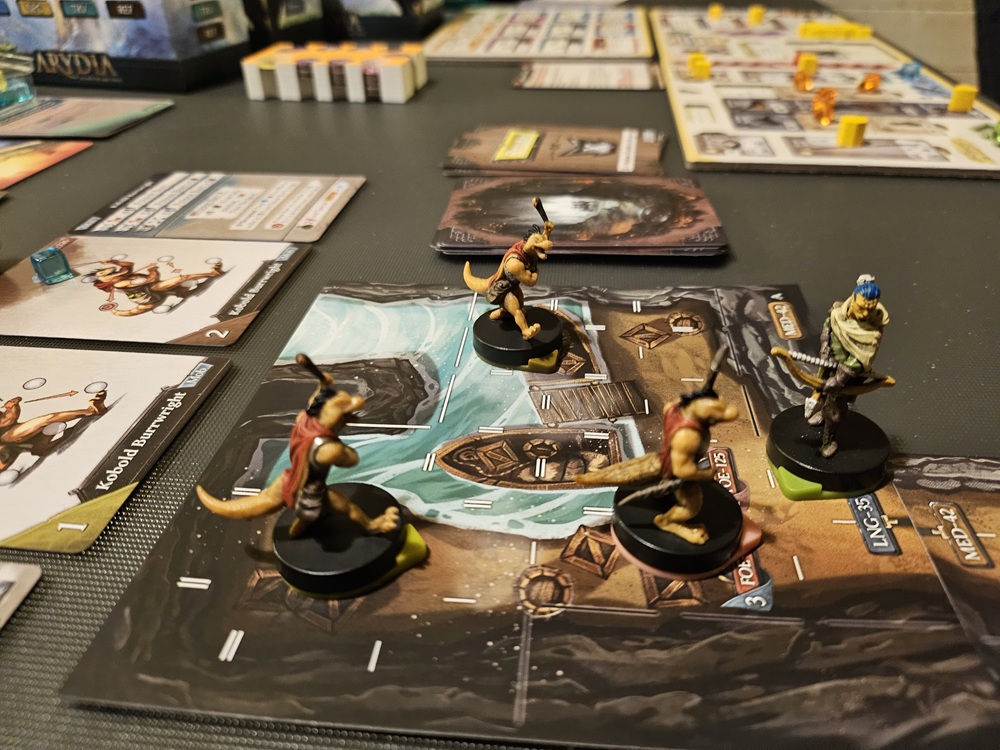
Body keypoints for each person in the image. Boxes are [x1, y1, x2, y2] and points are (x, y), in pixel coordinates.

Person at [810, 275, 890, 457]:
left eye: (870, 309)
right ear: (853, 299)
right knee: (822, 390)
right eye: (861, 307)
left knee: (835, 409)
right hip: (829, 362)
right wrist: (825, 346)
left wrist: (840, 378)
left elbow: (862, 357)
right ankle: (821, 413)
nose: (865, 314)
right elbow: (828, 326)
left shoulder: (872, 331)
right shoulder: (838, 312)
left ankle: (829, 440)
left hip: (848, 374)